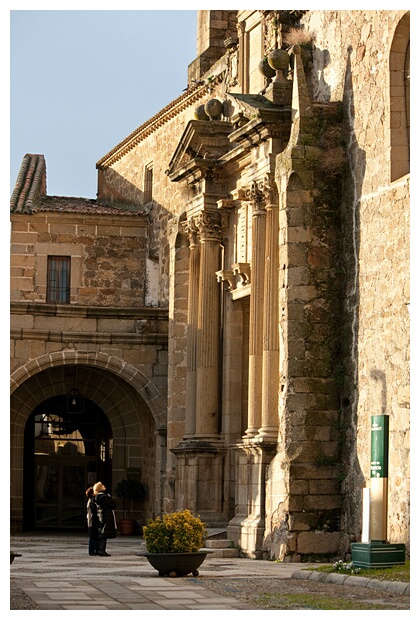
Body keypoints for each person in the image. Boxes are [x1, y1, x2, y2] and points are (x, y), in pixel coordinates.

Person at [93, 481, 117, 557]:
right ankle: (102, 550)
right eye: (102, 485)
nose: (104, 486)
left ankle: (99, 549)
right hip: (107, 516)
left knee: (102, 533)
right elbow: (113, 504)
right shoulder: (104, 497)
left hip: (101, 516)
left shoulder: (97, 497)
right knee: (104, 534)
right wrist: (110, 498)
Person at [85, 486, 99, 556]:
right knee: (92, 536)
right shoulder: (92, 501)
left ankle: (94, 550)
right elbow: (93, 511)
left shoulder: (91, 501)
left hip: (91, 520)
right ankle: (92, 551)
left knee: (94, 536)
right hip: (92, 521)